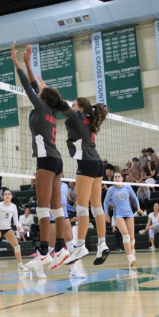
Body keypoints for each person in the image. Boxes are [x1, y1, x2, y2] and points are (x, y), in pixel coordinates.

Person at [13, 42, 70, 271]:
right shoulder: (53, 111)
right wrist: (28, 62)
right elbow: (37, 87)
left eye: (41, 94)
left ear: (43, 98)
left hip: (46, 162)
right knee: (57, 209)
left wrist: (18, 63)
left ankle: (44, 253)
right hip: (57, 161)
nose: (38, 93)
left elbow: (29, 86)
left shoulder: (43, 107)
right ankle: (62, 249)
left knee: (43, 209)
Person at [56, 92, 110, 267]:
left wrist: (47, 92)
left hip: (86, 164)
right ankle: (102, 244)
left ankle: (80, 246)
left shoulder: (79, 116)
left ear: (79, 108)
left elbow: (62, 105)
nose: (71, 108)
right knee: (96, 206)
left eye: (74, 105)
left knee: (81, 206)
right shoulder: (89, 118)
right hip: (97, 163)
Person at [0, 189, 28, 274]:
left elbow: (15, 220)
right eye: (5, 194)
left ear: (11, 196)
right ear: (3, 196)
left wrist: (18, 226)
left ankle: (20, 266)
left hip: (7, 228)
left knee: (17, 246)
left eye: (9, 194)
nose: (7, 195)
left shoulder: (13, 206)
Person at [104, 172, 144, 267]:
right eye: (115, 177)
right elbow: (105, 202)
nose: (117, 178)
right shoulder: (111, 189)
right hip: (118, 214)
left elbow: (135, 198)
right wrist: (106, 214)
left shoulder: (127, 186)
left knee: (132, 237)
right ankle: (129, 257)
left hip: (129, 213)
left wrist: (138, 208)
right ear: (113, 179)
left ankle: (132, 253)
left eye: (118, 176)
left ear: (122, 178)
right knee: (126, 235)